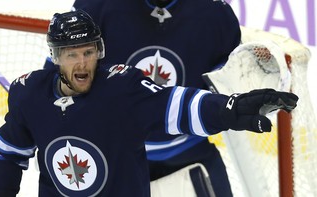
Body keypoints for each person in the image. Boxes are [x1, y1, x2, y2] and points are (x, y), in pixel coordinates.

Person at [0, 10, 298, 197]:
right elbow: (9, 154)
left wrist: (231, 108)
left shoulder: (122, 89)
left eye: (89, 52)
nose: (82, 62)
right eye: (72, 54)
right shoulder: (29, 94)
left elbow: (178, 106)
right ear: (55, 58)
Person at [70, 0, 241, 195]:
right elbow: (58, 81)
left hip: (189, 153)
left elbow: (236, 77)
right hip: (113, 158)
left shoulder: (215, 13)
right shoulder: (95, 7)